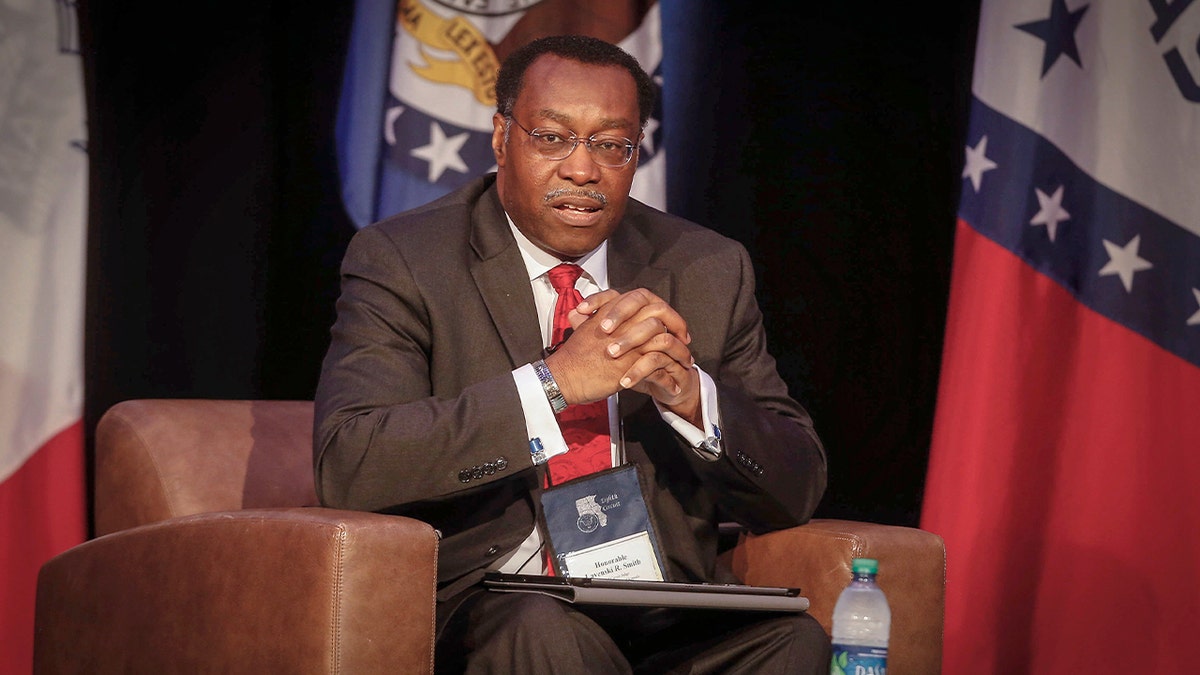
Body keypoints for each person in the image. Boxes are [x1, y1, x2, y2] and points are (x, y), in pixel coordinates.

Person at [314, 34, 830, 674]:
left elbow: (797, 487)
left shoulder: (707, 268)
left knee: (794, 641)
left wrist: (694, 399)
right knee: (544, 628)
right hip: (495, 604)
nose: (583, 171)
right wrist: (553, 384)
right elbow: (352, 463)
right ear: (501, 138)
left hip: (658, 608)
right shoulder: (407, 260)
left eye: (611, 146)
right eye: (553, 138)